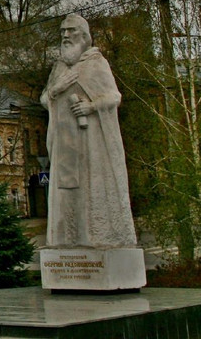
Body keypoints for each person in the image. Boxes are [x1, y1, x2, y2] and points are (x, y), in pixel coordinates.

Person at [40, 14, 136, 248]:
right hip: (64, 144)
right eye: (62, 31)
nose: (65, 35)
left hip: (91, 143)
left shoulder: (96, 63)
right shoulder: (59, 68)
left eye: (70, 30)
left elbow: (114, 96)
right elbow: (45, 99)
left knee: (92, 190)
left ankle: (97, 238)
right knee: (67, 193)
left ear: (83, 35)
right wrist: (56, 89)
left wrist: (91, 106)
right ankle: (68, 241)